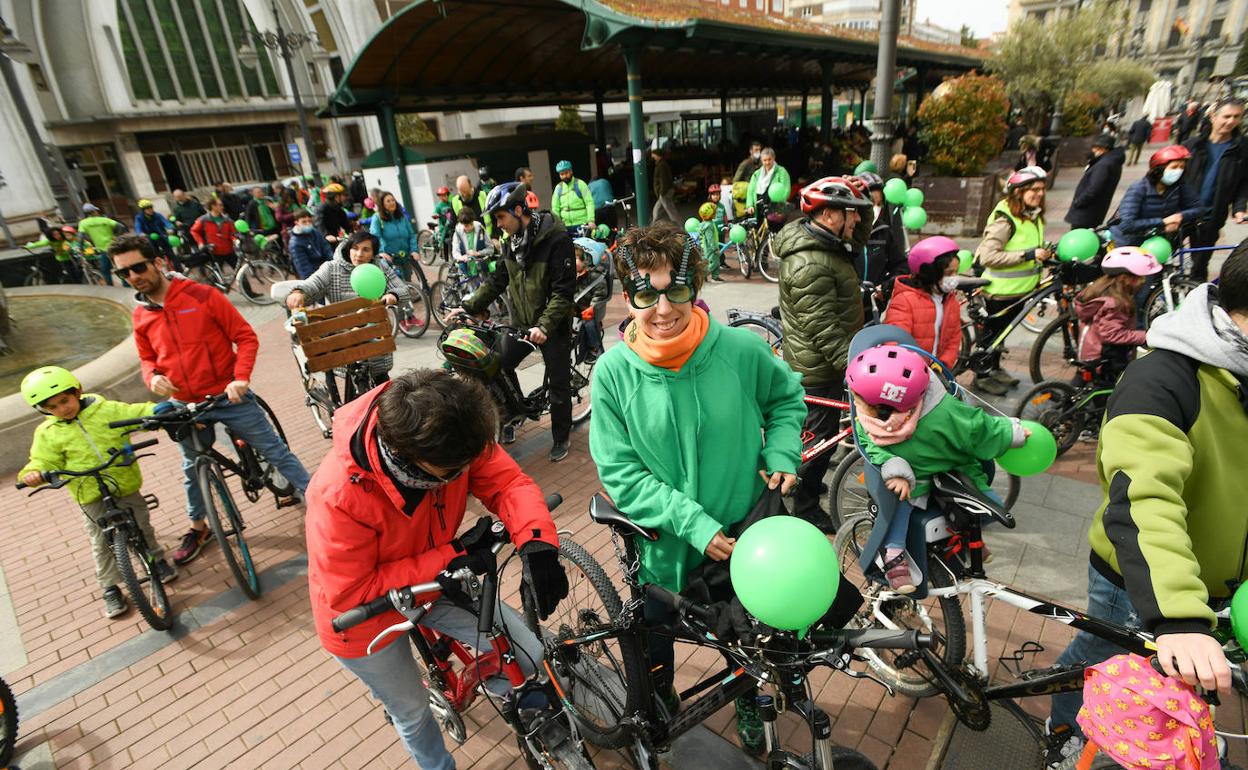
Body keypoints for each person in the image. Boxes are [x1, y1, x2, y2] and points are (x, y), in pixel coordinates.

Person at [588, 222, 806, 755]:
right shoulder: (612, 373)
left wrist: (781, 452)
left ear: (695, 289)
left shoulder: (737, 350)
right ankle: (660, 691)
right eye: (646, 293)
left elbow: (786, 401)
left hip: (741, 534)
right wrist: (692, 524)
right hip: (665, 543)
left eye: (677, 290)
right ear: (627, 298)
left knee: (751, 635)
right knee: (657, 630)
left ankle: (752, 707)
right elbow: (621, 473)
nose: (663, 309)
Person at [1042, 244, 1248, 769]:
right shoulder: (1164, 379)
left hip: (1217, 585)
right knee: (1099, 657)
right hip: (1138, 581)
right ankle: (1064, 723)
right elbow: (1143, 496)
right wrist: (1178, 615)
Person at [306, 369, 568, 770]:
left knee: (528, 655)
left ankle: (486, 682)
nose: (468, 472)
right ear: (413, 459)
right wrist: (454, 553)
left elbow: (507, 484)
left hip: (435, 580)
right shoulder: (337, 494)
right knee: (411, 712)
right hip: (361, 617)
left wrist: (537, 543)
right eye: (455, 472)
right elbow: (351, 590)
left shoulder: (454, 426)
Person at [108, 234, 310, 565]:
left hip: (227, 394)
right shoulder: (141, 315)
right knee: (191, 467)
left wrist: (240, 378)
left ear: (158, 263)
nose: (133, 277)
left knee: (275, 452)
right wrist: (152, 377)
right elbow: (147, 359)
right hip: (183, 404)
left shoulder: (202, 296)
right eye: (124, 273)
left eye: (138, 267)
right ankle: (198, 527)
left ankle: (319, 501)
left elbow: (245, 337)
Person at [847, 344, 1026, 593]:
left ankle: (962, 533)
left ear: (888, 407)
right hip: (913, 478)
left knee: (990, 508)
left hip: (952, 467)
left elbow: (979, 428)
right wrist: (894, 467)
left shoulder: (943, 413)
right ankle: (894, 554)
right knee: (898, 506)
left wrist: (1012, 432)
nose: (854, 405)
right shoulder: (872, 416)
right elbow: (867, 442)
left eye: (859, 400)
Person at [19, 366, 178, 618]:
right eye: (53, 407)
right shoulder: (47, 433)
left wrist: (154, 411)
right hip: (89, 492)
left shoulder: (105, 409)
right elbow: (42, 460)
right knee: (101, 541)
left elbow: (134, 413)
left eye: (64, 400)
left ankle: (155, 559)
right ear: (44, 411)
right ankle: (110, 586)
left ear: (77, 392)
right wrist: (34, 473)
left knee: (141, 525)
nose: (63, 409)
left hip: (122, 482)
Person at [773, 176, 872, 530]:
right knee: (817, 446)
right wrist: (857, 372)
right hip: (817, 371)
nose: (857, 220)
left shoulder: (827, 243)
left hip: (827, 365)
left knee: (824, 442)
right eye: (851, 213)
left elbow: (860, 236)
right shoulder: (810, 262)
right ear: (830, 215)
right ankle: (803, 505)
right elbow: (824, 329)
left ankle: (808, 489)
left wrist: (863, 200)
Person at [457, 183, 576, 462]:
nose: (498, 225)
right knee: (499, 361)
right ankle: (517, 411)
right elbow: (498, 279)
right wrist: (468, 306)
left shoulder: (557, 239)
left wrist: (544, 326)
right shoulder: (512, 241)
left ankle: (561, 436)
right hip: (522, 322)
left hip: (552, 325)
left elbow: (563, 293)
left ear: (518, 210)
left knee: (558, 385)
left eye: (500, 217)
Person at [286, 230, 409, 384]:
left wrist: (393, 296)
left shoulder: (379, 267)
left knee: (383, 386)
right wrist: (299, 292)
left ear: (373, 253)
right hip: (341, 339)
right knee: (351, 390)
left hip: (374, 336)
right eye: (355, 248)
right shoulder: (331, 268)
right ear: (348, 248)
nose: (359, 254)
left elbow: (403, 290)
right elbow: (313, 285)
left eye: (366, 249)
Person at [973, 166, 1052, 396]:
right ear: (1018, 192)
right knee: (991, 337)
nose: (1038, 194)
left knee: (1001, 335)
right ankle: (982, 376)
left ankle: (994, 369)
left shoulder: (1033, 215)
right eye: (1032, 190)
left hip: (1020, 290)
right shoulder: (1005, 219)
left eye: (1041, 189)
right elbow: (989, 256)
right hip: (999, 291)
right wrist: (1029, 254)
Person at [1073, 246, 1161, 383]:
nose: (1143, 282)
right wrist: (1144, 336)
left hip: (1088, 351)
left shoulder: (1098, 290)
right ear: (1125, 278)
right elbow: (1111, 334)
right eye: (1140, 278)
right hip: (1104, 358)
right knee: (1113, 392)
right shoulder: (1116, 304)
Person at [1183, 97, 1247, 282]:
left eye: (1237, 117)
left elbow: (1244, 183)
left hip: (1211, 217)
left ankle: (1194, 301)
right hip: (1181, 214)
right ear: (1213, 116)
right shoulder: (1192, 145)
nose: (1231, 121)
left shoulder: (1242, 149)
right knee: (1159, 259)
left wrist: (1239, 208)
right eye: (1226, 116)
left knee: (1199, 266)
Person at [883, 236, 964, 371]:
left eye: (956, 272)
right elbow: (894, 343)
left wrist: (943, 365)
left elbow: (954, 338)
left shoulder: (951, 302)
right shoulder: (905, 301)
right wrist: (913, 371)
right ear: (930, 273)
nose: (954, 277)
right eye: (949, 273)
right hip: (910, 375)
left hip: (937, 374)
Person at [1110, 146, 1206, 247]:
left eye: (1182, 167)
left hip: (1156, 243)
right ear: (1159, 169)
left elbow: (1199, 208)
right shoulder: (1139, 188)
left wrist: (1179, 216)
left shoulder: (1179, 187)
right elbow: (1126, 224)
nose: (1178, 171)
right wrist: (1163, 222)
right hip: (1128, 244)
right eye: (1174, 167)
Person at [855, 171, 908, 307]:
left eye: (879, 204)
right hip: (846, 310)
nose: (875, 209)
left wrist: (885, 288)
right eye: (871, 203)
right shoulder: (844, 233)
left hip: (874, 308)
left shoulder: (884, 232)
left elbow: (901, 266)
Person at [1063, 134, 1126, 230]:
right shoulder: (1112, 161)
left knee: (1079, 238)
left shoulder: (1104, 165)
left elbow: (1094, 188)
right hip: (1094, 211)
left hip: (1086, 212)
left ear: (1105, 149)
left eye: (1096, 148)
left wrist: (1079, 201)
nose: (1093, 150)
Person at [369, 191, 420, 280]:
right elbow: (375, 237)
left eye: (393, 200)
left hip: (405, 256)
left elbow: (411, 235)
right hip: (390, 258)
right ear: (382, 204)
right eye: (388, 201)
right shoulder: (377, 218)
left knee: (408, 281)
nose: (392, 203)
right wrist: (381, 252)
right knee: (397, 283)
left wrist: (414, 250)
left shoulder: (402, 217)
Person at [571, 237, 607, 361]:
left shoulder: (596, 276)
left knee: (589, 324)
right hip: (576, 307)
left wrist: (592, 306)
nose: (571, 260)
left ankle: (594, 348)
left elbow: (600, 293)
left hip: (590, 310)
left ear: (587, 259)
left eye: (575, 258)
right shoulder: (572, 274)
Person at [78, 203, 124, 285]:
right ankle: (126, 285)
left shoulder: (83, 223)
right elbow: (121, 227)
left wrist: (80, 248)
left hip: (102, 249)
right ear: (94, 212)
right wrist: (116, 236)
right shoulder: (104, 220)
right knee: (119, 267)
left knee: (105, 270)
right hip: (114, 246)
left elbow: (81, 236)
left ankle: (110, 287)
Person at [190, 197, 238, 266]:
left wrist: (235, 240)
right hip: (214, 251)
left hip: (229, 250)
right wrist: (200, 242)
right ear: (213, 206)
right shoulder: (204, 220)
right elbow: (194, 231)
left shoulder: (227, 220)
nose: (222, 207)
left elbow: (233, 233)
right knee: (216, 275)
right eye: (220, 205)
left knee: (240, 273)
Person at [288, 207, 334, 279]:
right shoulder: (295, 244)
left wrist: (333, 263)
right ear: (296, 223)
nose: (308, 224)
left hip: (325, 269)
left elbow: (326, 248)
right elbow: (304, 267)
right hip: (314, 275)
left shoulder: (315, 232)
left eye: (309, 221)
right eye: (304, 222)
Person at [550, 160, 594, 232]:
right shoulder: (558, 188)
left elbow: (589, 202)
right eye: (562, 174)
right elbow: (555, 208)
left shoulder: (581, 184)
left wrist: (591, 220)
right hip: (565, 226)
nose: (565, 176)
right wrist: (557, 224)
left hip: (582, 224)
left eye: (566, 173)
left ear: (571, 171)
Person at [745, 148, 791, 217]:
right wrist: (750, 205)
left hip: (775, 210)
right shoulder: (756, 174)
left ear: (774, 158)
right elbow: (750, 191)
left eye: (769, 159)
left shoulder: (781, 172)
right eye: (765, 160)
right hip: (758, 209)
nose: (767, 162)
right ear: (761, 160)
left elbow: (786, 189)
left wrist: (779, 204)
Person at [133, 198, 177, 266]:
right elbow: (138, 227)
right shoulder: (139, 218)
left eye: (151, 207)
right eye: (147, 208)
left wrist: (170, 228)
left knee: (171, 253)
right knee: (154, 256)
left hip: (161, 236)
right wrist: (140, 233)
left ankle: (180, 270)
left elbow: (165, 222)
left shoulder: (157, 215)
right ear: (143, 210)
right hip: (150, 239)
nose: (150, 209)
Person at [450, 208, 494, 273]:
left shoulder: (480, 229)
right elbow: (455, 252)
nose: (470, 227)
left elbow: (491, 249)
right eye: (466, 225)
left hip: (482, 268)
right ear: (461, 223)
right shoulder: (457, 232)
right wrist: (461, 257)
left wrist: (478, 253)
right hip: (466, 270)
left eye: (471, 224)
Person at [651, 149, 678, 223]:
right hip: (664, 191)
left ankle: (679, 226)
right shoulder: (661, 164)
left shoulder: (661, 165)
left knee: (670, 210)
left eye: (653, 154)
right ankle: (654, 225)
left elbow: (663, 180)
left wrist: (662, 192)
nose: (652, 156)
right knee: (657, 210)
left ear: (657, 155)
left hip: (665, 192)